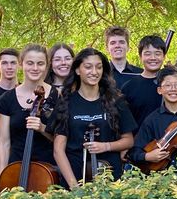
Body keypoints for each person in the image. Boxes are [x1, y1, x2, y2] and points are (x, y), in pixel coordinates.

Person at [53, 48, 136, 187]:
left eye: (99, 67)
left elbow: (128, 141)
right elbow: (58, 150)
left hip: (110, 180)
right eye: (88, 67)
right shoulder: (66, 102)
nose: (94, 72)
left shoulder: (116, 100)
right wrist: (74, 187)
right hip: (75, 176)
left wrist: (106, 146)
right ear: (78, 70)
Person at [0, 45, 58, 179]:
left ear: (47, 66)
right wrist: (1, 178)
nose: (35, 68)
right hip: (16, 168)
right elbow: (3, 142)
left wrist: (42, 128)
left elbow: (63, 140)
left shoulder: (57, 96)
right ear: (21, 64)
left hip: (49, 171)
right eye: (30, 63)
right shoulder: (7, 99)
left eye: (40, 63)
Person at [119, 35, 167, 129]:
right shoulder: (129, 87)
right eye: (147, 53)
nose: (153, 58)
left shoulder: (172, 86)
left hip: (168, 140)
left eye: (157, 53)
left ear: (164, 56)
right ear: (140, 57)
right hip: (138, 141)